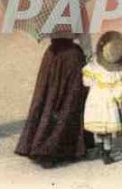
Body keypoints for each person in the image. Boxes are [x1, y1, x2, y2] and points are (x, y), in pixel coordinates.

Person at [15, 32, 95, 167]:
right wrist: (88, 57)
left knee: (49, 98)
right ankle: (68, 146)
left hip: (53, 57)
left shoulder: (49, 13)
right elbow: (85, 38)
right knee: (71, 100)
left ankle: (41, 143)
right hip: (72, 58)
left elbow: (40, 34)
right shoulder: (78, 12)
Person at [83, 31, 122, 165]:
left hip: (95, 100)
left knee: (97, 127)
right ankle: (106, 154)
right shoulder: (116, 73)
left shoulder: (93, 68)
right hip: (109, 102)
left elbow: (86, 82)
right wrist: (118, 99)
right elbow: (119, 90)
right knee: (108, 130)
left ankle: (100, 149)